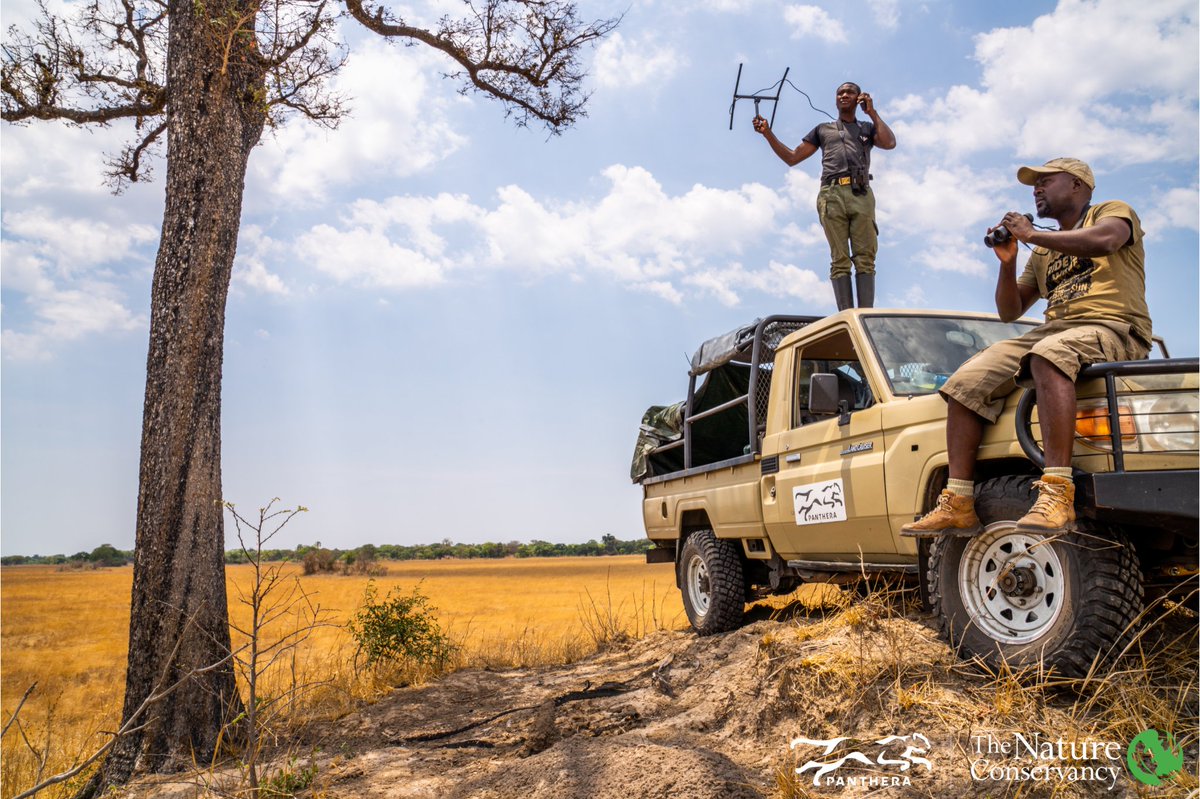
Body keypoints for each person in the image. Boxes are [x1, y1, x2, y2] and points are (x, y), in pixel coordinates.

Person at [901, 157, 1153, 537]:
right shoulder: (1042, 252)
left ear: (1077, 186)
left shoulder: (1111, 212)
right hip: (1056, 330)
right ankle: (958, 501)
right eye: (1034, 184)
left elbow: (1107, 240)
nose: (1036, 188)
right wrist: (1007, 261)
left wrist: (1032, 235)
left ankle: (1056, 492)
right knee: (966, 383)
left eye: (1045, 181)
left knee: (1048, 355)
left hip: (1112, 325)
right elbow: (1010, 310)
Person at [752, 82, 896, 310]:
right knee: (839, 260)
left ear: (859, 99)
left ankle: (866, 316)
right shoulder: (823, 129)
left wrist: (872, 112)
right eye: (840, 93)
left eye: (850, 92)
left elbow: (889, 143)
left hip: (861, 193)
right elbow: (792, 158)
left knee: (865, 258)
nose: (844, 95)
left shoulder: (867, 128)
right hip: (832, 193)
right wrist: (767, 133)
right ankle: (847, 317)